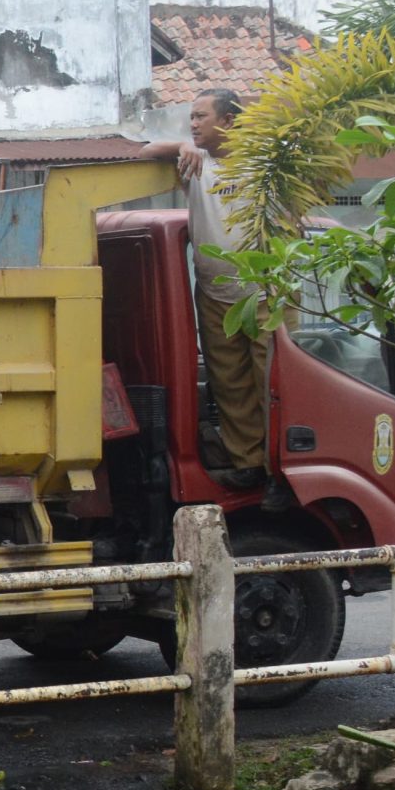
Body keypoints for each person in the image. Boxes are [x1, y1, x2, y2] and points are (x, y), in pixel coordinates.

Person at [146, 88, 274, 492]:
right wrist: (182, 145)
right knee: (230, 384)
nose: (193, 124)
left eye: (201, 117)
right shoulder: (194, 163)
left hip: (267, 294)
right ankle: (249, 463)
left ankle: (282, 467)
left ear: (229, 121)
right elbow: (147, 150)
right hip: (216, 296)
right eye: (191, 117)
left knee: (273, 384)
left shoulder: (264, 164)